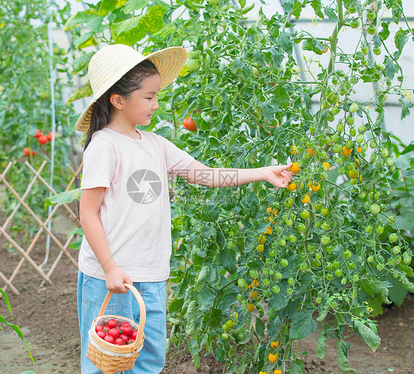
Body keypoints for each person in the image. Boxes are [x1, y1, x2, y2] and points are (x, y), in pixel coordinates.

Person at [76, 44, 295, 374]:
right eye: (148, 97)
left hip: (151, 275)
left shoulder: (155, 145)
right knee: (105, 363)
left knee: (148, 360)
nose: (156, 104)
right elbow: (87, 213)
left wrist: (263, 172)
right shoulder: (104, 147)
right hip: (111, 277)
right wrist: (109, 268)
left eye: (157, 96)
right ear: (118, 100)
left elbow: (207, 175)